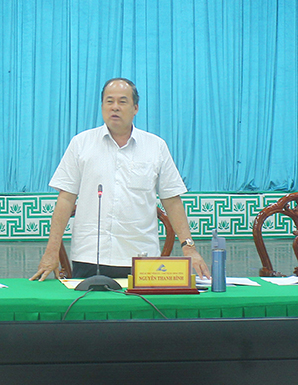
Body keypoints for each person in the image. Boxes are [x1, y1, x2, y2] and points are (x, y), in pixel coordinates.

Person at [31, 78, 210, 280]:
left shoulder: (155, 146)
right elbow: (65, 199)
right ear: (101, 106)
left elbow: (172, 200)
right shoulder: (81, 144)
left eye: (122, 101)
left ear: (135, 108)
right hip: (90, 257)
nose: (115, 107)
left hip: (141, 258)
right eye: (109, 101)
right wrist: (51, 250)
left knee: (140, 312)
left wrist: (189, 248)